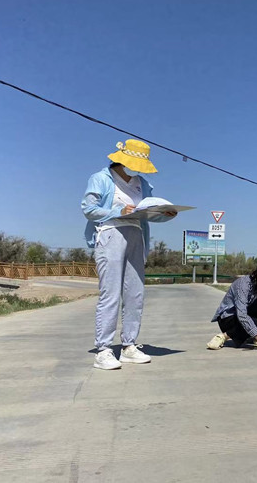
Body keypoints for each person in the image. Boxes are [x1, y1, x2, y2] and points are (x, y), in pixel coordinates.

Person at [82, 140, 177, 370]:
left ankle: (129, 346)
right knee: (111, 293)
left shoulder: (141, 183)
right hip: (109, 233)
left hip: (136, 235)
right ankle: (103, 349)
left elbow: (147, 212)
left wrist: (166, 214)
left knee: (135, 293)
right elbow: (89, 209)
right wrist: (117, 210)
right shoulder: (101, 178)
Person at [207, 256, 257, 350]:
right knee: (256, 324)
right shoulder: (243, 285)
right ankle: (223, 336)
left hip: (248, 315)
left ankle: (255, 333)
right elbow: (242, 315)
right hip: (230, 318)